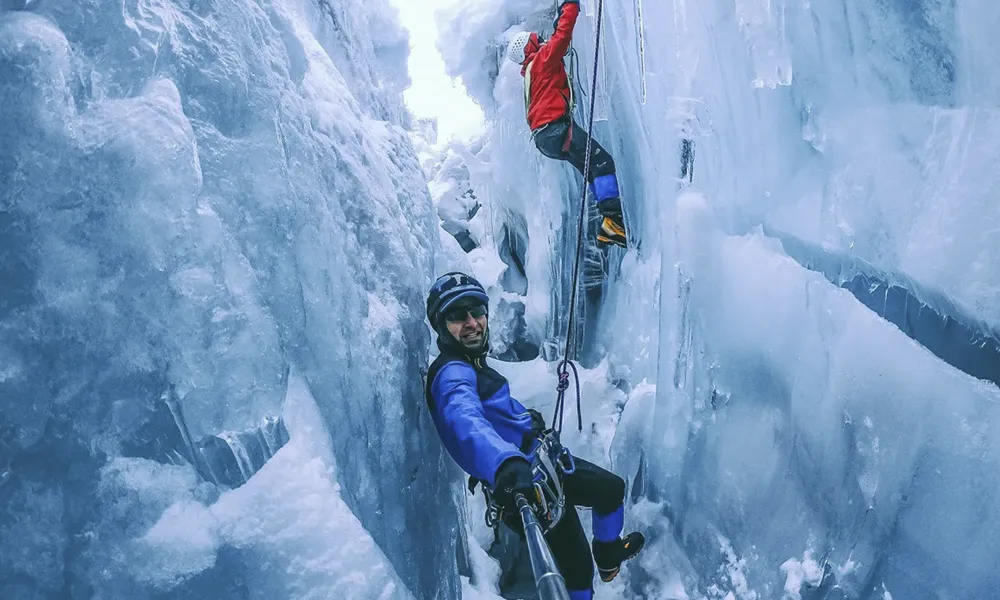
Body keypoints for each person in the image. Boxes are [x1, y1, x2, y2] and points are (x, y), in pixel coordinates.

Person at [424, 272, 644, 599]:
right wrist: (504, 464)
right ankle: (599, 567)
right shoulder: (452, 373)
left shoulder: (471, 365)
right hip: (527, 484)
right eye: (457, 316)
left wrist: (525, 419)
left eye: (476, 312)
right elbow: (464, 419)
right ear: (442, 325)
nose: (471, 322)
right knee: (577, 569)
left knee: (610, 490)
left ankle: (608, 556)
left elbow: (490, 414)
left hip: (541, 465)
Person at [506, 0, 628, 249]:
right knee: (603, 163)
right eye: (536, 40)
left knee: (592, 169)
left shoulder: (532, 71)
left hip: (547, 139)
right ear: (530, 46)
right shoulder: (541, 61)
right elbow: (562, 35)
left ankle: (609, 222)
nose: (541, 40)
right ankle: (613, 221)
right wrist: (570, 4)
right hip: (557, 128)